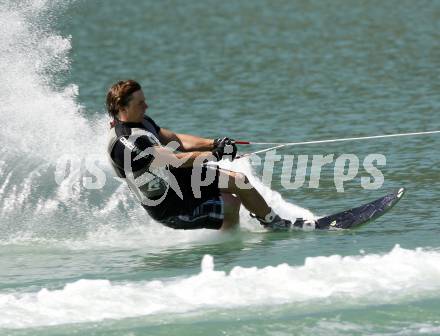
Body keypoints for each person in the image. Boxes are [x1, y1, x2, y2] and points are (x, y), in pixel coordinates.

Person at [106, 79, 292, 231]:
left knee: (239, 180)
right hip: (170, 206)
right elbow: (174, 161)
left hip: (179, 181)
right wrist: (213, 155)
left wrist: (214, 143)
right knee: (230, 204)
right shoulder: (127, 142)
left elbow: (176, 139)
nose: (146, 106)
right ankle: (226, 252)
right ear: (123, 108)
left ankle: (275, 224)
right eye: (140, 103)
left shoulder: (141, 121)